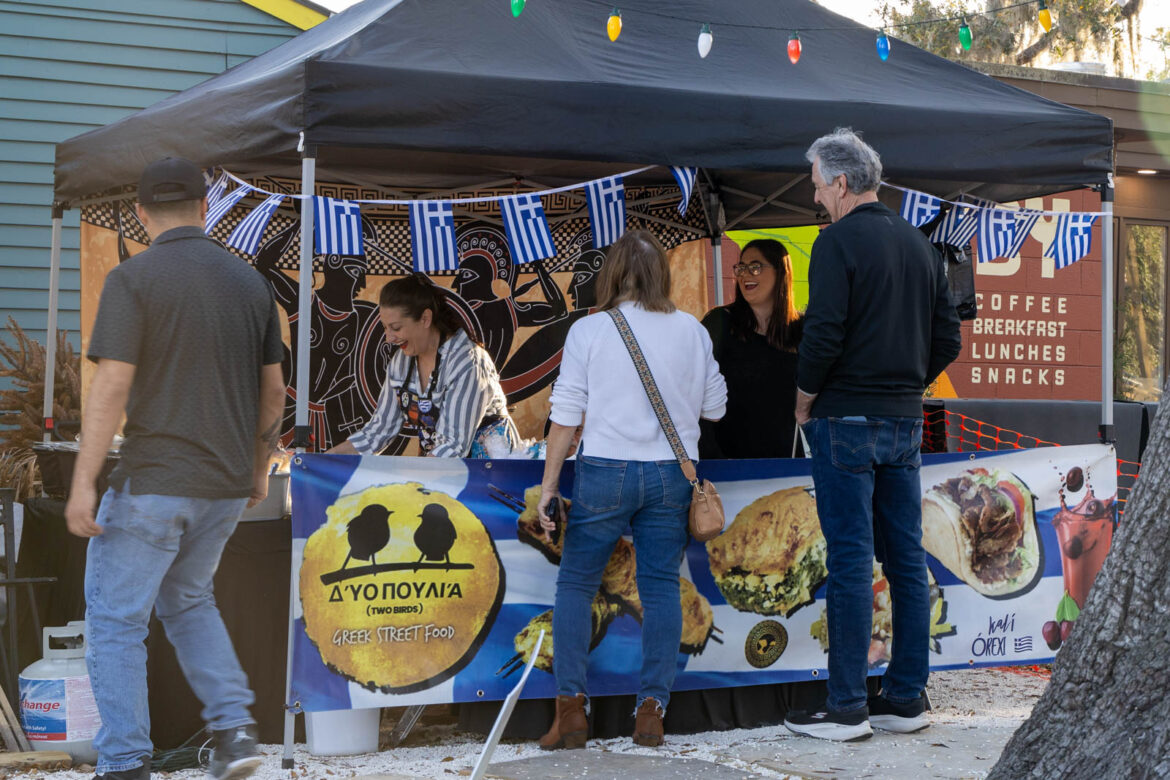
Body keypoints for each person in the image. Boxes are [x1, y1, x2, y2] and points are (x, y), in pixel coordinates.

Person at [65, 157, 286, 780]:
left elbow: (111, 386)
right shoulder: (250, 284)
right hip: (221, 488)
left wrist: (83, 482)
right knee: (189, 601)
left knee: (114, 620)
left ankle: (125, 763)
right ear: (205, 208)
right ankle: (237, 734)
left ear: (140, 215)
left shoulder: (134, 278)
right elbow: (274, 393)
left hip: (152, 483)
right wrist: (260, 468)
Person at [785, 129, 961, 742]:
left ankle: (846, 706)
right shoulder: (920, 245)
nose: (815, 199)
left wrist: (805, 399)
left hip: (845, 418)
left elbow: (823, 332)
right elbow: (949, 339)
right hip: (905, 418)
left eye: (816, 187)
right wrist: (908, 380)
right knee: (907, 557)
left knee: (853, 559)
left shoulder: (835, 242)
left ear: (840, 183)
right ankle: (907, 698)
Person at [535, 229, 727, 750]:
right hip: (671, 474)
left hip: (605, 471)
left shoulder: (590, 331)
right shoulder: (692, 330)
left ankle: (572, 711)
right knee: (661, 586)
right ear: (661, 275)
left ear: (612, 275)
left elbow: (565, 418)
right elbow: (716, 408)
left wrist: (549, 487)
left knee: (576, 584)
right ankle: (651, 711)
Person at [327, 273, 530, 458]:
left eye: (396, 328)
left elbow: (452, 445)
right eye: (385, 328)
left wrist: (414, 483)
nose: (388, 338)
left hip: (490, 474)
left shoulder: (467, 361)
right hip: (437, 470)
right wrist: (324, 460)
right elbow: (376, 433)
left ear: (425, 318)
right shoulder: (401, 363)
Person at [700, 238, 803, 459]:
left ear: (781, 272)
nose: (744, 274)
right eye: (741, 267)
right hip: (728, 466)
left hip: (790, 466)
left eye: (755, 267)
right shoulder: (720, 322)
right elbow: (693, 391)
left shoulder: (802, 328)